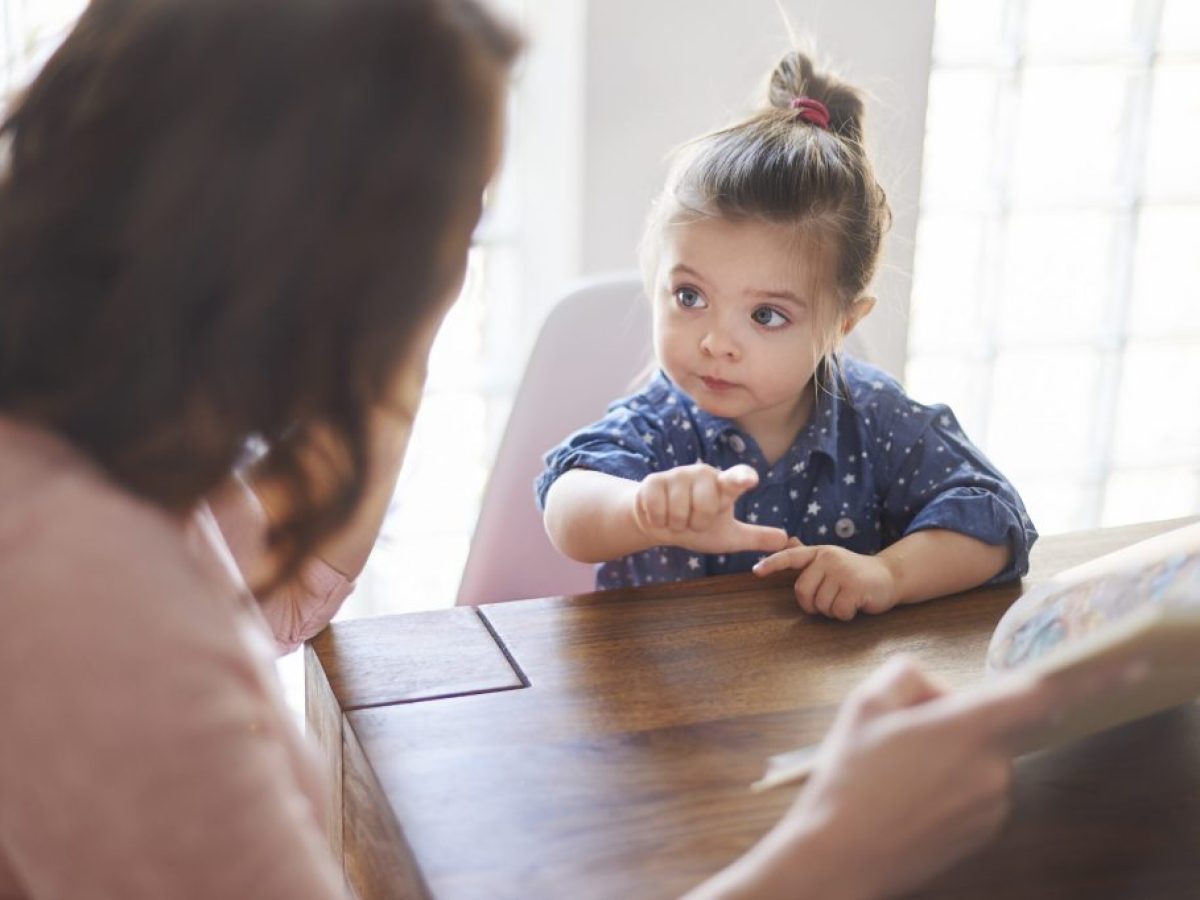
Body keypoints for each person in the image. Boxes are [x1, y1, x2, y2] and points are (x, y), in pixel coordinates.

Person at [0, 3, 1121, 898]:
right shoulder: (73, 589)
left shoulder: (101, 458)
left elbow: (271, 597)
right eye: (442, 245)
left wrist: (388, 369)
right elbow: (570, 497)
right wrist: (836, 854)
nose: (446, 293)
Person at [538, 52, 1037, 621]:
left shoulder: (876, 419)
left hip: (822, 701)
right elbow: (566, 507)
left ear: (842, 325)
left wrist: (889, 573)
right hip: (656, 698)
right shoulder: (660, 423)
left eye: (766, 316)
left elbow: (995, 520)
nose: (715, 343)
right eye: (690, 297)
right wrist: (641, 510)